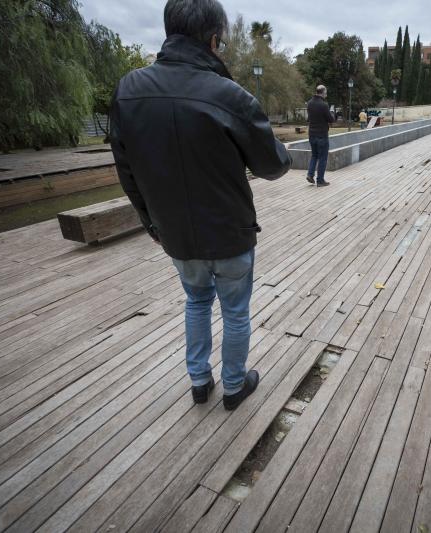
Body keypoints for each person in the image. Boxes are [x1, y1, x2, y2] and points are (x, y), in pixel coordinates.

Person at [110, 0, 291, 411]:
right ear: (213, 39)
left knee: (196, 301)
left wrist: (152, 224)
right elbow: (273, 166)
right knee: (235, 311)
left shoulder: (128, 91)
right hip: (229, 232)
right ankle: (234, 386)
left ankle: (198, 381)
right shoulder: (230, 95)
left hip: (175, 233)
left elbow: (126, 170)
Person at [306, 85, 335, 186]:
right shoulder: (324, 105)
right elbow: (331, 119)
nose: (326, 94)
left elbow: (309, 119)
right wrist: (332, 112)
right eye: (326, 92)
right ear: (322, 92)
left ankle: (310, 175)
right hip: (322, 135)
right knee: (323, 158)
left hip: (312, 134)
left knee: (314, 155)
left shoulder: (309, 103)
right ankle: (320, 180)